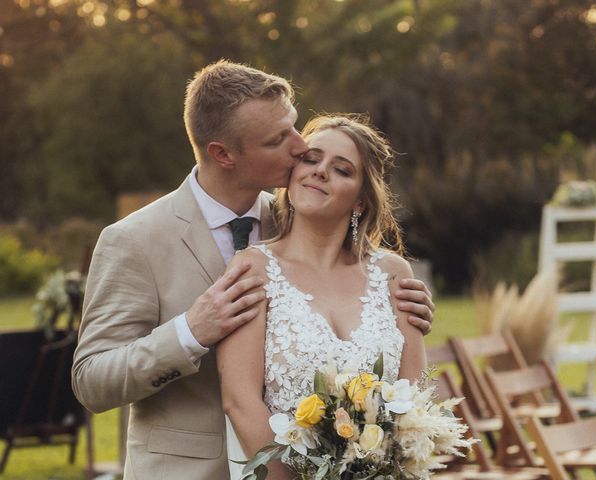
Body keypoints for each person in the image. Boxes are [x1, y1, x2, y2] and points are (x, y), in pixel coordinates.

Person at [72, 60, 434, 480]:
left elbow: (355, 278)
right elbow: (91, 382)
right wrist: (190, 332)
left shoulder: (298, 219)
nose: (300, 146)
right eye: (278, 139)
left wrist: (401, 308)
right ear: (223, 154)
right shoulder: (133, 240)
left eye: (294, 126)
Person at [217, 114, 428, 479]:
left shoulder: (392, 274)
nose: (320, 172)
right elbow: (239, 401)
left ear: (361, 201)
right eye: (311, 159)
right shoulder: (253, 268)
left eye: (342, 169)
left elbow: (415, 398)